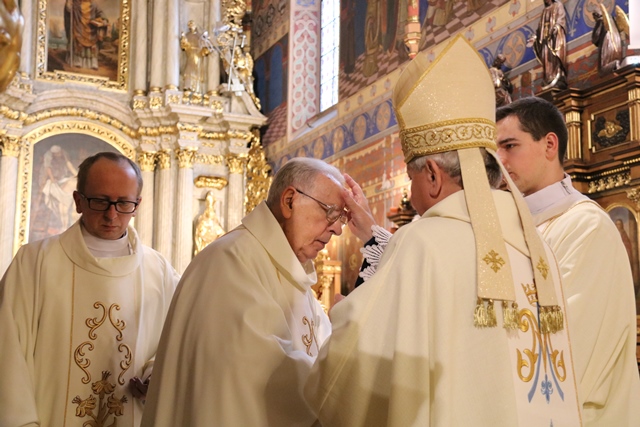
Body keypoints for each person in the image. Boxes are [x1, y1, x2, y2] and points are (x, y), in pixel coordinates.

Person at [305, 36, 581, 426]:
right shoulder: (536, 245)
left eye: (412, 175)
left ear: (433, 176)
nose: (413, 190)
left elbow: (350, 369)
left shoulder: (422, 243)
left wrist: (338, 319)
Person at [141, 157, 349, 426]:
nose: (338, 228)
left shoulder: (291, 272)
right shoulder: (230, 261)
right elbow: (261, 374)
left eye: (341, 218)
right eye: (331, 212)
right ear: (290, 201)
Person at [0, 152, 179, 427]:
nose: (111, 214)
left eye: (124, 203)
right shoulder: (34, 262)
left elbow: (178, 342)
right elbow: (7, 352)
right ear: (78, 201)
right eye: (100, 201)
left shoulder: (160, 272)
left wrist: (156, 375)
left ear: (137, 205)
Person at [495, 96, 640, 425]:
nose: (499, 160)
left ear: (549, 145)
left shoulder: (585, 226)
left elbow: (570, 343)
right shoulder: (516, 226)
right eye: (495, 150)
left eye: (510, 146)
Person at [528, 0, 567, 90]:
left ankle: (557, 75)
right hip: (545, 40)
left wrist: (556, 27)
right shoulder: (544, 11)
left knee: (554, 56)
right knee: (546, 57)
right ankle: (548, 77)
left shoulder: (558, 5)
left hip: (554, 38)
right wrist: (535, 37)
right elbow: (540, 28)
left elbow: (561, 18)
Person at [65, 0, 109, 70]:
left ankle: (92, 62)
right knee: (78, 44)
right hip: (79, 27)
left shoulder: (93, 4)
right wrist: (68, 4)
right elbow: (69, 10)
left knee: (93, 47)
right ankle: (78, 61)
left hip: (91, 29)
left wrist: (104, 20)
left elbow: (101, 13)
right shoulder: (76, 4)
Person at [591, 3, 622, 76]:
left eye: (594, 17)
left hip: (607, 47)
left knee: (602, 70)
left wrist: (598, 23)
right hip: (617, 48)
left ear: (597, 15)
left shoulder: (601, 21)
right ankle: (616, 64)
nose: (595, 19)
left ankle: (614, 64)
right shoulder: (613, 21)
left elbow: (595, 38)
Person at [180, 20, 210, 93]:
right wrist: (184, 39)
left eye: (192, 25)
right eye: (190, 25)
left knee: (197, 70)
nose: (191, 26)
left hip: (198, 54)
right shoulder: (187, 35)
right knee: (189, 69)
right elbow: (184, 46)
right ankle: (188, 85)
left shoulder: (199, 36)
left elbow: (204, 46)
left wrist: (205, 41)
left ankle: (197, 88)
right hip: (190, 53)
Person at [193, 190, 225, 255]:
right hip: (204, 245)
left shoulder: (215, 219)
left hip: (213, 246)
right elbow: (199, 231)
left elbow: (220, 231)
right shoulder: (202, 219)